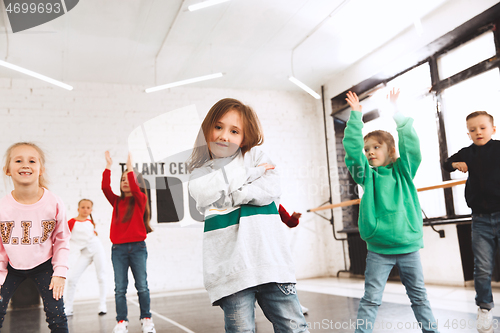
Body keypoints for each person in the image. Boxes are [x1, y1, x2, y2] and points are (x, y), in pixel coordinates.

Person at [188, 98, 309, 333]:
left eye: (234, 131)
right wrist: (250, 175)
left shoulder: (256, 156)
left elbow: (270, 190)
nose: (224, 135)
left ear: (244, 137)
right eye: (218, 127)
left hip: (271, 263)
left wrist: (232, 193)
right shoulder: (201, 172)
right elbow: (204, 194)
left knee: (294, 329)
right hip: (230, 271)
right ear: (207, 129)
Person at [343, 90, 439, 333]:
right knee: (371, 299)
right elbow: (353, 152)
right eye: (367, 149)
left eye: (376, 147)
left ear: (391, 151)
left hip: (409, 248)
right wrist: (356, 116)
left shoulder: (404, 171)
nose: (370, 152)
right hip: (379, 250)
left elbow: (411, 144)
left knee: (419, 298)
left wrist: (397, 112)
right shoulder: (367, 176)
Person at [0, 142, 70, 332]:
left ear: (40, 169)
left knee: (57, 316)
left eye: (32, 160)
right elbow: (0, 249)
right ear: (7, 169)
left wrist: (60, 273)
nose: (25, 165)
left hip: (44, 266)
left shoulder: (53, 202)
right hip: (12, 268)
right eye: (18, 160)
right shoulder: (2, 208)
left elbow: (62, 240)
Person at [443, 111, 499, 333]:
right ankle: (484, 309)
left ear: (493, 129)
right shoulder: (468, 152)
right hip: (480, 220)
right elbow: (446, 163)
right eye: (473, 129)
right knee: (482, 268)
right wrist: (456, 164)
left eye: (483, 128)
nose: (478, 132)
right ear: (468, 133)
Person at [102, 152, 155, 333]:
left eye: (128, 179)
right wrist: (108, 166)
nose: (125, 182)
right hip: (118, 250)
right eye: (122, 179)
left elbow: (133, 184)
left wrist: (130, 168)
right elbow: (105, 188)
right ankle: (121, 321)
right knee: (120, 288)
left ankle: (146, 318)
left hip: (138, 248)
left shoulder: (140, 200)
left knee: (142, 286)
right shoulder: (116, 201)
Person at [64, 198, 108, 316]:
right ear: (78, 209)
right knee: (72, 279)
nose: (85, 209)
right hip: (85, 253)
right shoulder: (72, 222)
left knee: (101, 276)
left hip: (97, 249)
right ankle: (68, 308)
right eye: (83, 207)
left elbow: (92, 235)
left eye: (88, 208)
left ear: (91, 210)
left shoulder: (90, 222)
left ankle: (102, 305)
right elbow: (64, 237)